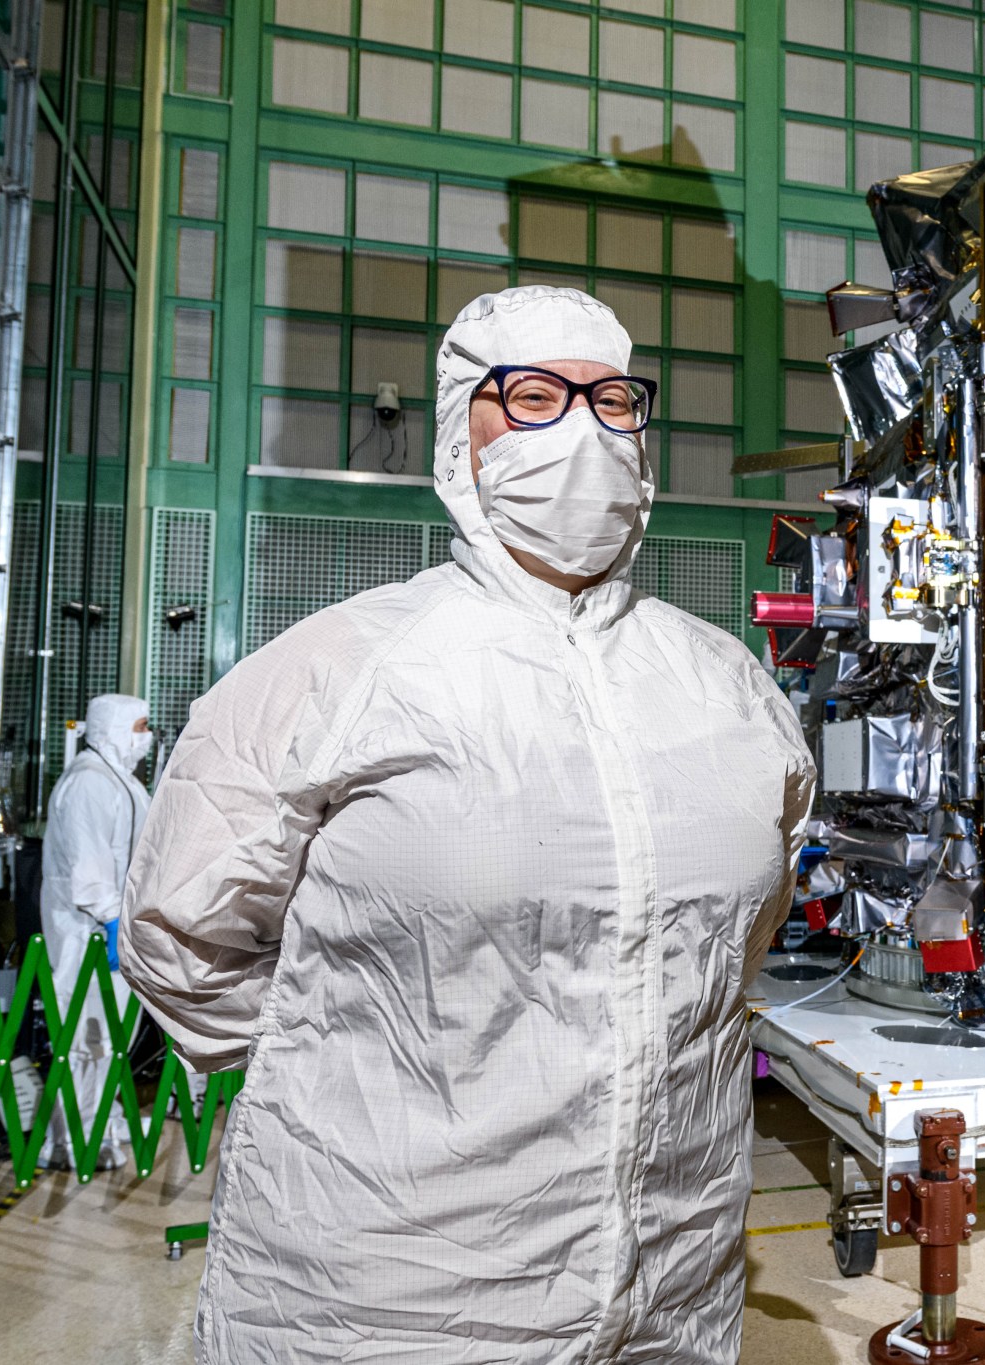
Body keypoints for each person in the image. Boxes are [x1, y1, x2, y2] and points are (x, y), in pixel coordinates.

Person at [120, 286, 815, 1364]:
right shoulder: (337, 670)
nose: (581, 428)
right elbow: (183, 942)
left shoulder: (726, 689)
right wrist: (368, 1083)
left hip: (670, 1286)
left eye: (612, 400)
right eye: (533, 397)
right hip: (392, 1291)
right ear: (460, 431)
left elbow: (733, 945)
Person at [39, 692, 152, 1171]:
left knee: (109, 1037)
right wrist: (110, 918)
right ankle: (69, 1140)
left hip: (114, 925)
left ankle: (101, 1120)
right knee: (85, 1038)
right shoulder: (89, 783)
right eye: (140, 727)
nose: (146, 738)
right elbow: (88, 870)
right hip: (84, 931)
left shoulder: (118, 780)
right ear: (114, 728)